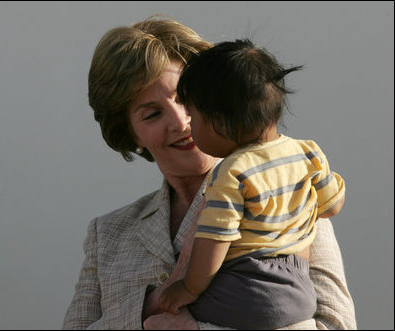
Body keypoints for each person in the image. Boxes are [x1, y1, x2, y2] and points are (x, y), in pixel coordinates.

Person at [62, 15, 357, 330]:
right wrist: (151, 304)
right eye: (152, 114)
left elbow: (336, 325)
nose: (180, 122)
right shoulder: (107, 235)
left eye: (185, 100)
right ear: (130, 135)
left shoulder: (291, 192)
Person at [158, 39, 345, 330]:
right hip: (300, 291)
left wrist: (188, 289)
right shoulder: (309, 152)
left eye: (193, 118)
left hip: (250, 290)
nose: (188, 127)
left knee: (173, 314)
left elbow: (214, 243)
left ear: (220, 122)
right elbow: (332, 207)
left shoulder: (233, 172)